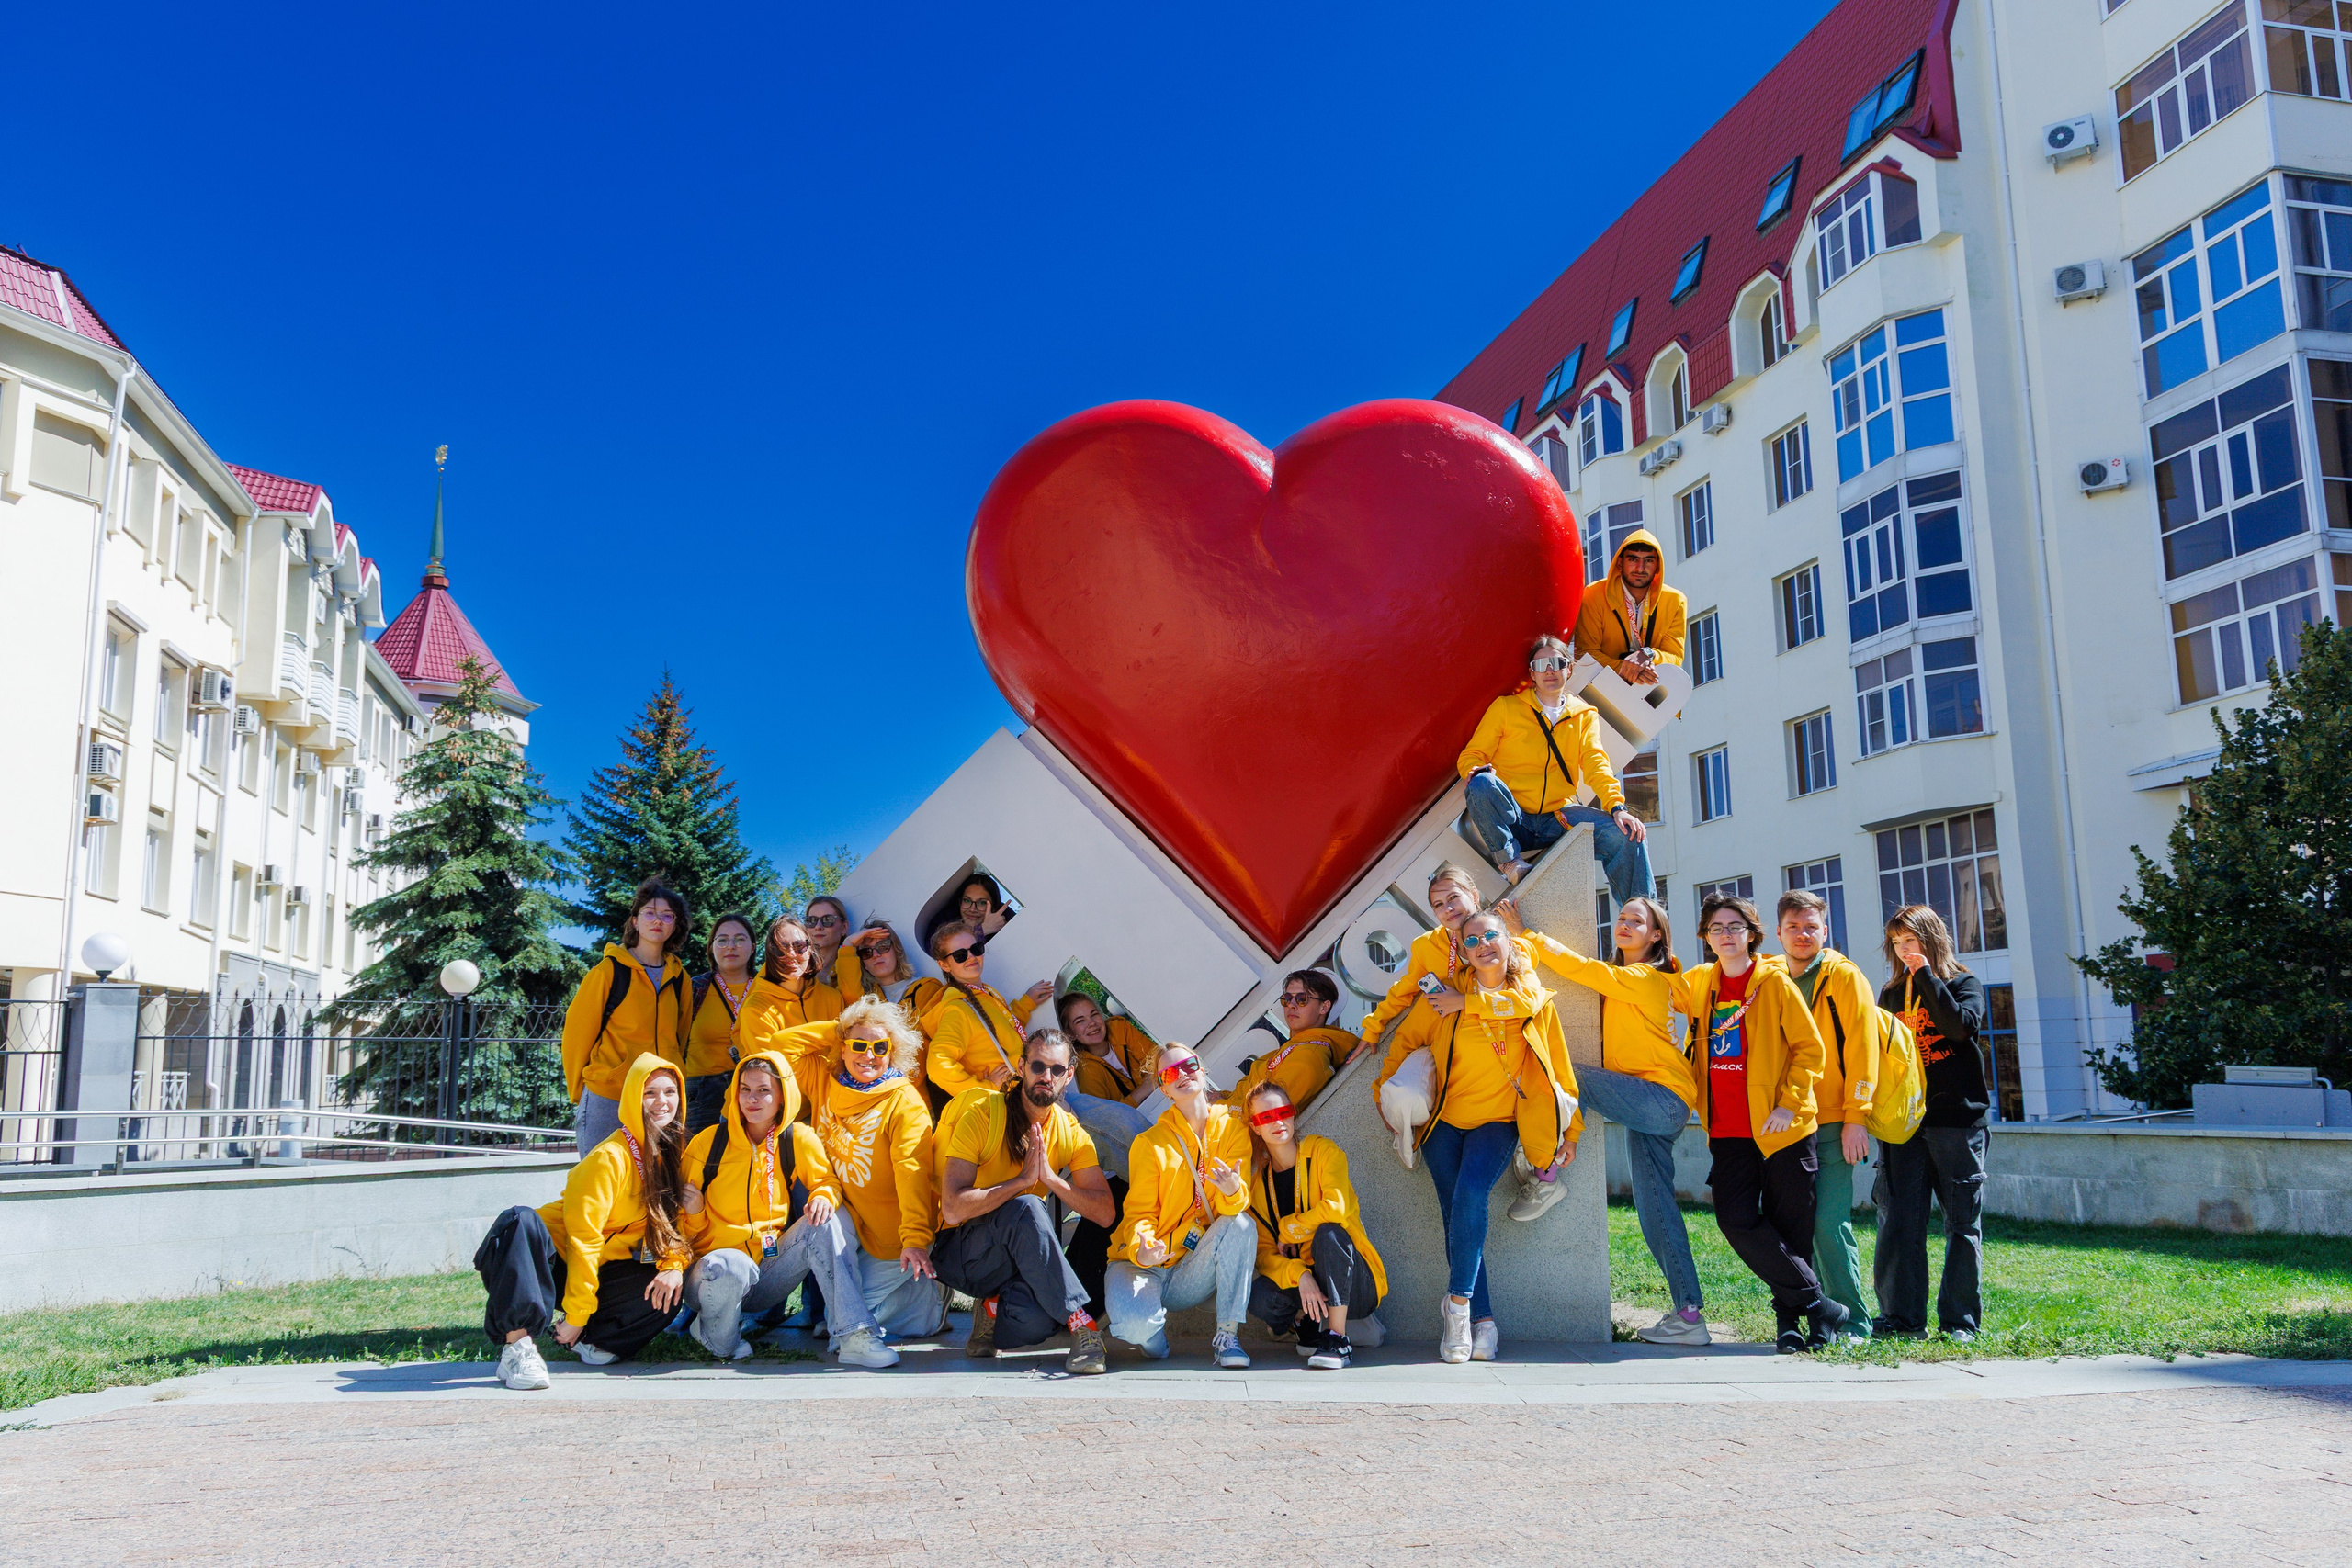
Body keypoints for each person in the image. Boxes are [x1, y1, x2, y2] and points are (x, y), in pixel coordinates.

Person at [1496, 894, 1707, 1346]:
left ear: (1657, 935)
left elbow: (1584, 970)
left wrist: (1524, 935)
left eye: (1638, 920)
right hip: (1649, 1105)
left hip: (1663, 1099)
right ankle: (1689, 1316)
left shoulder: (1647, 978)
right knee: (1655, 1211)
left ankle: (1548, 1171)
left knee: (1573, 1074)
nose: (1625, 923)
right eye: (1622, 917)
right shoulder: (1634, 981)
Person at [1374, 907, 1582, 1365]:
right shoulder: (1444, 1000)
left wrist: (1572, 1130)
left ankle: (1459, 1307)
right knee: (1456, 1216)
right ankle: (1482, 1321)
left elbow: (1559, 1074)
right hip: (1443, 1123)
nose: (1483, 944)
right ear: (1463, 953)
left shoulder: (1535, 1002)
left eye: (1491, 936)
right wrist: (1387, 1104)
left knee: (1470, 1197)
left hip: (1499, 1122)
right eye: (1471, 940)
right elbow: (1402, 1047)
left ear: (1508, 942)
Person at [1677, 893, 1845, 1354]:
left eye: (1734, 927)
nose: (1725, 935)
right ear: (1706, 938)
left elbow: (1811, 1049)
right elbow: (1645, 986)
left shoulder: (1773, 983)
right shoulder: (1701, 985)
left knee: (1792, 1227)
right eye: (1716, 928)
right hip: (1728, 1128)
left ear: (1752, 934)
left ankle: (1793, 1326)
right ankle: (1819, 1305)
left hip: (1783, 1128)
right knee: (1736, 1219)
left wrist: (1789, 1105)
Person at [476, 1052, 692, 1388]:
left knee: (665, 1291)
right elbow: (583, 1240)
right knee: (519, 1219)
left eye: (670, 1092)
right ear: (633, 1097)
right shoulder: (609, 1157)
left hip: (598, 1268)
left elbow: (672, 1230)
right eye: (650, 1093)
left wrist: (674, 1266)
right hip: (547, 1262)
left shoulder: (670, 1155)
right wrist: (577, 1312)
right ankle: (516, 1348)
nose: (661, 1102)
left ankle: (590, 1340)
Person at [678, 1047, 899, 1368]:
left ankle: (854, 1336)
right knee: (731, 1271)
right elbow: (676, 1225)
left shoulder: (797, 1138)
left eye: (764, 1091)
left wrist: (823, 1195)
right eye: (745, 1090)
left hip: (765, 1275)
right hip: (713, 1273)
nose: (752, 1099)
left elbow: (826, 1179)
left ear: (783, 1096)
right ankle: (711, 1331)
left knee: (822, 1223)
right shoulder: (707, 1143)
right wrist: (697, 1213)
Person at [932, 1031, 1114, 1373]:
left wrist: (1053, 1180)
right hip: (960, 1251)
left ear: (1069, 1075)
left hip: (1015, 1261)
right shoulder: (983, 1115)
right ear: (1021, 1067)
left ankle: (991, 1310)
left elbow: (1104, 1213)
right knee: (1028, 1206)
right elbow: (952, 1209)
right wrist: (1020, 1183)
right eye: (1038, 1066)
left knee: (1040, 1322)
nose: (1047, 1077)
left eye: (1057, 1070)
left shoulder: (1070, 1130)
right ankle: (1083, 1327)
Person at [1457, 635, 1653, 904]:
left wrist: (1617, 808)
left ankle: (1643, 919)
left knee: (1627, 836)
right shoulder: (1506, 708)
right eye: (1541, 665)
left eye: (1557, 663)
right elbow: (1471, 755)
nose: (1549, 671)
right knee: (1481, 784)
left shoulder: (1584, 715)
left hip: (1558, 817)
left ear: (1568, 669)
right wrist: (1475, 769)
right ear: (1531, 674)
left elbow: (1596, 763)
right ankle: (1510, 864)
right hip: (1515, 817)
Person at [1872, 904, 1990, 1343]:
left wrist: (1926, 977)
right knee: (1900, 1221)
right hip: (1904, 1126)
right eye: (1898, 943)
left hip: (1956, 1122)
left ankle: (1959, 1322)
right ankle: (1901, 1318)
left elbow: (1960, 1029)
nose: (1905, 951)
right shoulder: (1889, 995)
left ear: (1932, 938)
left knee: (1961, 1223)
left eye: (1912, 941)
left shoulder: (1963, 984)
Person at [1769, 890, 1882, 1341]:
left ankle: (1854, 1320)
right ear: (1778, 932)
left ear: (1825, 931)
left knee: (1828, 1223)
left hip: (1835, 1121)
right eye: (1793, 927)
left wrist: (1858, 1115)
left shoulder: (1843, 977)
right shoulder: (1771, 976)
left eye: (1811, 926)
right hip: (1787, 1121)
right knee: (1793, 1225)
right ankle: (1816, 1317)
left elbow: (1863, 1049)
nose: (1802, 934)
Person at [1107, 1043, 1257, 1369]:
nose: (1183, 1075)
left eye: (1189, 1065)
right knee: (1137, 1329)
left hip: (1190, 1265)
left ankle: (1227, 1336)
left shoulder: (1232, 1129)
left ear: (1202, 1070)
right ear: (1163, 1088)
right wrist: (1142, 1249)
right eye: (1171, 1073)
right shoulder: (1150, 1143)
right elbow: (1139, 1214)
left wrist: (1232, 1191)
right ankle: (1153, 1339)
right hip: (1141, 1263)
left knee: (1242, 1223)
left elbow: (1235, 1207)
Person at [810, 997, 951, 1339]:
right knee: (842, 1316)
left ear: (892, 1051)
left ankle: (928, 1310)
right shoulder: (826, 1081)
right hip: (851, 1218)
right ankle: (913, 1299)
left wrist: (915, 1239)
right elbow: (776, 1045)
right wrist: (841, 1027)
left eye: (880, 1046)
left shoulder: (905, 1103)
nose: (869, 1054)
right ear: (841, 1049)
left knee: (842, 1322)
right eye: (858, 1044)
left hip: (894, 1234)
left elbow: (912, 1172)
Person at [1243, 1082, 1386, 1369]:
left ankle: (1337, 1338)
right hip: (1304, 1287)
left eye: (1283, 1112)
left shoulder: (1323, 1151)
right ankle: (1305, 1324)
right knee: (1257, 1295)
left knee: (1329, 1233)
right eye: (1266, 1117)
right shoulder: (1258, 1185)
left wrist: (1289, 1228)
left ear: (1294, 1114)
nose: (1278, 1121)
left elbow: (1335, 1209)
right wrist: (1300, 1275)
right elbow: (1263, 1254)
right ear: (1255, 1127)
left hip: (1357, 1285)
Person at [560, 880, 693, 1154]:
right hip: (609, 1096)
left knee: (654, 1187)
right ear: (635, 921)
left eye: (667, 915)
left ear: (674, 925)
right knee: (600, 1182)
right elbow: (577, 1035)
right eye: (650, 913)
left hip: (660, 1102)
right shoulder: (609, 971)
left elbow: (681, 1037)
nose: (658, 921)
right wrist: (583, 1091)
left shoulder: (681, 979)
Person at [1357, 862, 1489, 1052]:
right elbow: (1403, 990)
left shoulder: (1498, 931)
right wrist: (1373, 1026)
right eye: (1439, 904)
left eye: (1453, 897)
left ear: (1474, 895)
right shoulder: (1427, 945)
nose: (1448, 909)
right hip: (1458, 1042)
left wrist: (1522, 931)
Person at [923, 922, 1051, 1100]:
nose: (971, 957)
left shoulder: (985, 993)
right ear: (944, 965)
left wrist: (1026, 1004)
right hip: (1014, 1099)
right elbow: (937, 1067)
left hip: (1031, 1087)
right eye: (960, 955)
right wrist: (985, 1088)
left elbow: (1002, 1031)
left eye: (976, 948)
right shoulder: (957, 1009)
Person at [733, 916, 845, 1103]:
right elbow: (774, 1073)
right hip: (773, 1114)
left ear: (810, 949)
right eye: (779, 949)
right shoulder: (756, 1008)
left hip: (824, 1109)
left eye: (799, 946)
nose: (791, 955)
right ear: (770, 954)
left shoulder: (832, 998)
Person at [1057, 992, 1157, 1182]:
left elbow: (1158, 1061)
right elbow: (1111, 1120)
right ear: (1070, 1033)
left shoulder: (1120, 1028)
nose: (1092, 1023)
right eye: (1080, 1021)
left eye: (1094, 1014)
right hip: (1137, 1137)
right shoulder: (1085, 1068)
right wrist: (1144, 1089)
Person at [1569, 529, 1687, 687]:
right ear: (1620, 563)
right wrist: (1628, 669)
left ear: (1658, 566)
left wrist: (1648, 654)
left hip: (1652, 694)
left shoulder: (1675, 600)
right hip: (1602, 692)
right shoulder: (1593, 594)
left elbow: (1675, 657)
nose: (1640, 568)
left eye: (1649, 561)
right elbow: (1585, 653)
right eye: (1633, 559)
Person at [1226, 970, 1351, 1116]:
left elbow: (1265, 1113)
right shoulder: (1295, 1047)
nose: (1291, 1005)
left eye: (1301, 999)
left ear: (1324, 1007)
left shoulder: (1309, 1057)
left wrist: (1218, 1107)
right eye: (1287, 998)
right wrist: (1222, 1096)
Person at [683, 912, 759, 1136]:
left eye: (739, 939)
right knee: (697, 1165)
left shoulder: (767, 986)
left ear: (753, 947)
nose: (731, 946)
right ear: (712, 947)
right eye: (722, 940)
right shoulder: (693, 989)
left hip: (755, 1088)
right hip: (700, 1093)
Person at [836, 918, 943, 1019]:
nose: (875, 954)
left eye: (883, 946)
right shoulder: (864, 999)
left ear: (897, 951)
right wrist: (848, 944)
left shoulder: (926, 988)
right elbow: (850, 1001)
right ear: (864, 964)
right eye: (866, 952)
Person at [802, 896, 857, 997]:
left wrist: (848, 946)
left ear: (844, 928)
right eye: (812, 920)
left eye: (827, 920)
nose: (818, 926)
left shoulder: (858, 970)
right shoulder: (792, 966)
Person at [956, 872, 1016, 938]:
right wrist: (983, 929)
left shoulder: (1007, 934)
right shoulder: (946, 923)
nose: (972, 909)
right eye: (967, 901)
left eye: (982, 903)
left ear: (993, 907)